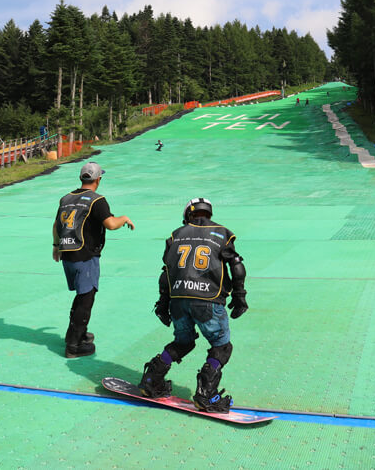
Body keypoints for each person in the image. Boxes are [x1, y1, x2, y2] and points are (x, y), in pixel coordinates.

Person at [138, 197, 248, 413]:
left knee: (183, 342)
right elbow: (236, 266)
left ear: (188, 214)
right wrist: (240, 296)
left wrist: (163, 303)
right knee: (222, 347)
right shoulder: (222, 233)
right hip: (208, 301)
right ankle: (207, 394)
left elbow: (166, 273)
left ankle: (152, 378)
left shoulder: (175, 235)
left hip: (179, 300)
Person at [53, 161, 134, 358]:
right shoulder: (97, 200)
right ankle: (74, 345)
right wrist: (124, 218)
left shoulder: (66, 198)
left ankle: (75, 334)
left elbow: (57, 225)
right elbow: (111, 224)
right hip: (86, 255)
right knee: (86, 298)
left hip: (67, 253)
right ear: (98, 179)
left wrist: (56, 246)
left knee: (81, 296)